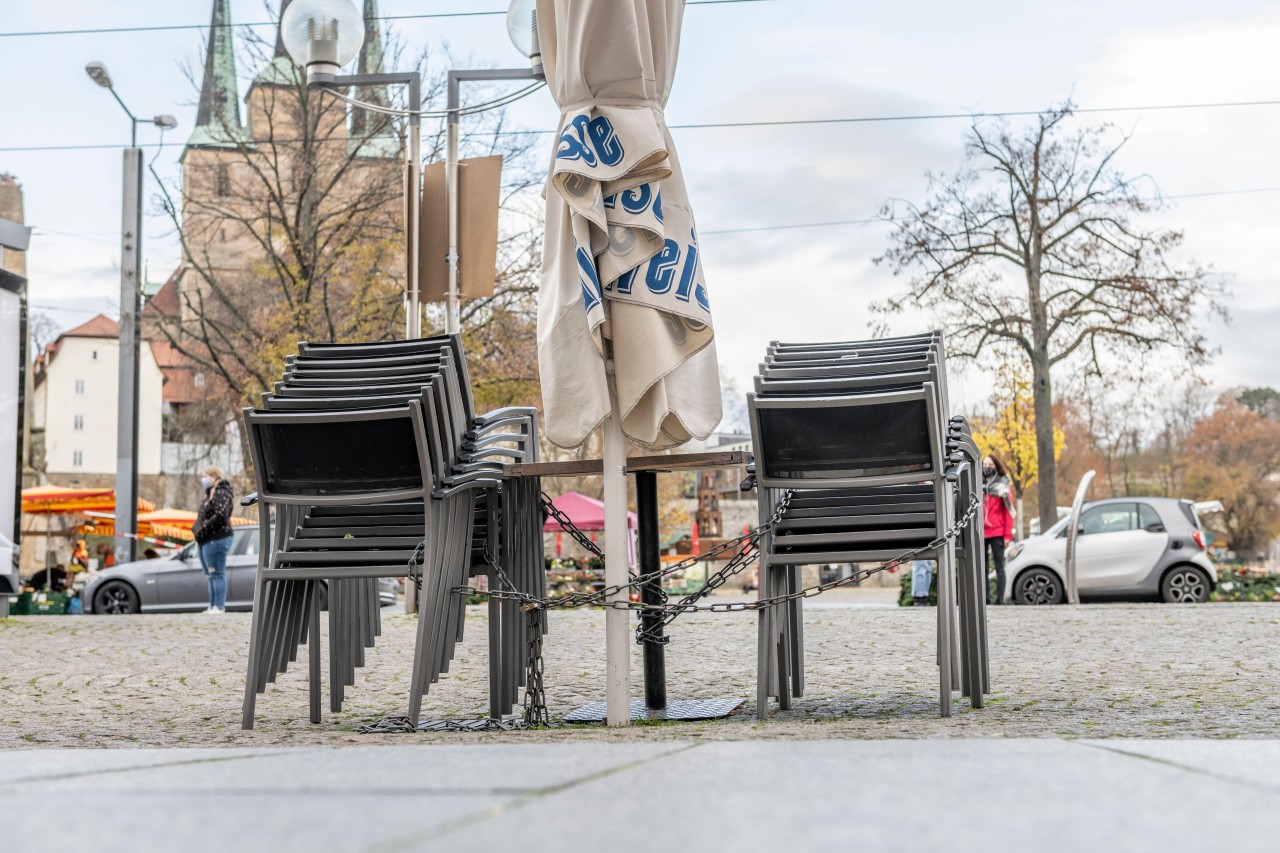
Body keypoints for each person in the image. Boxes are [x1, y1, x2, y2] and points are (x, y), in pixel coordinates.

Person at [192, 466, 234, 614]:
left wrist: (202, 530)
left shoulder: (222, 493)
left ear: (214, 477)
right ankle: (212, 605)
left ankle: (219, 606)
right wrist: (196, 530)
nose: (203, 479)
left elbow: (221, 516)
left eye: (205, 476)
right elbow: (201, 517)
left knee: (217, 573)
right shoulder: (209, 494)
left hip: (217, 538)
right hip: (205, 539)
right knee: (210, 574)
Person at [982, 453, 1016, 604]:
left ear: (996, 467)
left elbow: (1009, 512)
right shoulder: (976, 484)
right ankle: (985, 599)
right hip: (981, 532)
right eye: (985, 465)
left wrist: (1008, 535)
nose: (987, 468)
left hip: (997, 531)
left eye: (990, 465)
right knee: (982, 567)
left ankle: (1000, 599)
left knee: (999, 566)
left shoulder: (1003, 486)